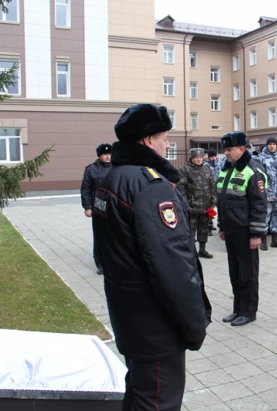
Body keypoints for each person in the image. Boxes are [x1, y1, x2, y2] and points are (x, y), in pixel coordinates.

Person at [92, 103, 211, 410]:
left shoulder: (113, 178)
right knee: (157, 401)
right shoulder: (149, 185)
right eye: (164, 137)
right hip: (155, 324)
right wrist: (194, 322)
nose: (168, 143)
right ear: (147, 140)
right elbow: (172, 265)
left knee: (139, 394)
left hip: (130, 316)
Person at [217, 131, 268, 327]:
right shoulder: (226, 169)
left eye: (229, 149)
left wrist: (256, 234)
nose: (226, 153)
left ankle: (248, 311)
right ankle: (237, 308)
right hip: (231, 230)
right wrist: (222, 226)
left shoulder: (253, 171)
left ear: (242, 149)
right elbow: (222, 201)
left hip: (247, 232)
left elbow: (259, 204)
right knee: (235, 272)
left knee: (248, 273)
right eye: (225, 149)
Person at [177, 148, 217, 258]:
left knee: (203, 230)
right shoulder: (185, 170)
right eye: (196, 158)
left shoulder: (207, 169)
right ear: (191, 158)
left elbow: (212, 186)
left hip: (205, 207)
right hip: (192, 207)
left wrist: (213, 202)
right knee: (191, 231)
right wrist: (186, 204)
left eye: (200, 157)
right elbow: (180, 188)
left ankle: (202, 250)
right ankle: (191, 252)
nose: (199, 159)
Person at [80, 143, 112, 275]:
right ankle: (100, 264)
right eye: (105, 154)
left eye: (110, 154)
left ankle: (113, 262)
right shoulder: (91, 170)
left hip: (114, 209)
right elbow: (85, 189)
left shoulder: (116, 168)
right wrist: (87, 207)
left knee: (114, 236)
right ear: (99, 155)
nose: (108, 156)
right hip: (98, 208)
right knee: (100, 237)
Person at [258, 137, 277, 250]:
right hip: (267, 193)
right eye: (269, 144)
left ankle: (275, 240)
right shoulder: (261, 158)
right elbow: (259, 178)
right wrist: (262, 192)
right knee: (266, 216)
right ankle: (263, 240)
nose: (272, 146)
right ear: (266, 145)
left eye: (274, 144)